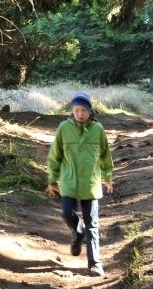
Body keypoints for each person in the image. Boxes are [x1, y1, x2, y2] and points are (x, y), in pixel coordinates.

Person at [45, 92, 113, 277]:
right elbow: (55, 156)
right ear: (72, 111)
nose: (80, 113)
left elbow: (106, 155)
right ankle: (77, 230)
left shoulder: (98, 129)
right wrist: (52, 180)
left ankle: (95, 264)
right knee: (67, 213)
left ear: (90, 111)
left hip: (91, 184)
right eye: (77, 110)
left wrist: (107, 176)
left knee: (93, 226)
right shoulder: (64, 128)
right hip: (69, 183)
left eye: (84, 110)